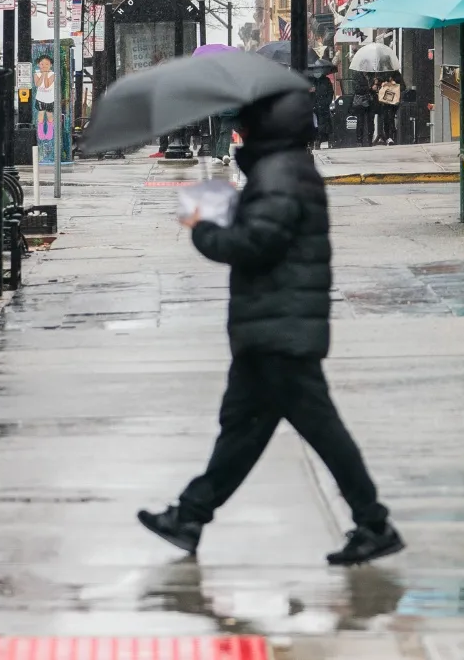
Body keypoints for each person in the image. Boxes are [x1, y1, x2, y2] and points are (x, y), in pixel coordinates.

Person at [139, 88, 403, 566]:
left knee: (321, 431)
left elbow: (257, 242)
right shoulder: (280, 170)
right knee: (241, 430)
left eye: (251, 119)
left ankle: (374, 523)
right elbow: (267, 228)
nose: (242, 126)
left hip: (280, 330)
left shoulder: (281, 172)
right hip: (271, 326)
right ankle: (190, 515)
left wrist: (203, 226)